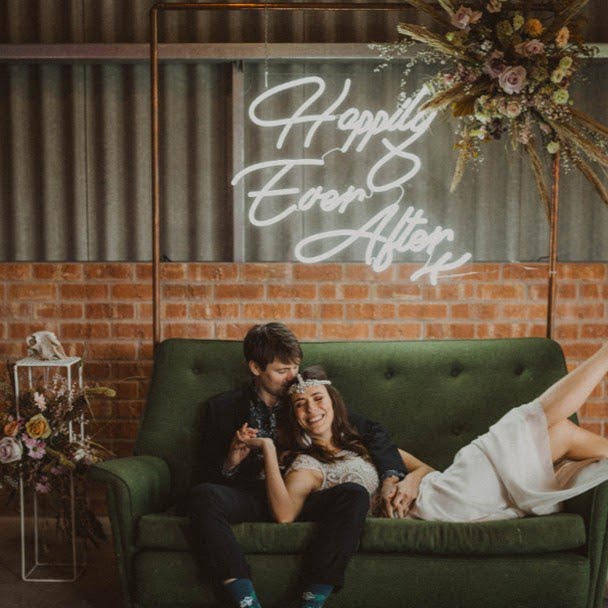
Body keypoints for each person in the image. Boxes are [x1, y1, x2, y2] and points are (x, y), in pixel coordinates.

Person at [242, 342, 608, 547]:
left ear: (334, 403)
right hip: (443, 505)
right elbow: (285, 514)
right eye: (301, 405)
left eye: (318, 399)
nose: (312, 409)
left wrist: (408, 480)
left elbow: (424, 469)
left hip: (444, 484)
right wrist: (270, 451)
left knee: (559, 435)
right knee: (540, 426)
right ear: (296, 419)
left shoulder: (363, 446)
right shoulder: (309, 466)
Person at [188, 322, 407, 608]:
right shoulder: (222, 408)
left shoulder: (305, 399)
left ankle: (311, 602)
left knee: (354, 493)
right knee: (202, 496)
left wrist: (392, 475)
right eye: (282, 371)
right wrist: (231, 461)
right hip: (250, 496)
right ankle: (245, 601)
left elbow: (373, 432)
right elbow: (204, 474)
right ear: (256, 368)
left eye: (295, 367)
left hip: (302, 496)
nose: (292, 377)